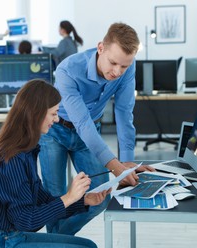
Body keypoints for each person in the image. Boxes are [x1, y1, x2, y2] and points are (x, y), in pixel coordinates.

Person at [0, 79, 110, 248]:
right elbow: (26, 220)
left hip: (10, 235)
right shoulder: (10, 158)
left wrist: (83, 201)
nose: (57, 119)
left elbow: (43, 202)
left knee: (89, 246)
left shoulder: (25, 150)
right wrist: (68, 197)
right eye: (53, 113)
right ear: (35, 114)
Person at [39, 22, 154, 235]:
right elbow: (82, 123)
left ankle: (59, 239)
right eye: (113, 63)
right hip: (55, 131)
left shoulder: (126, 67)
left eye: (124, 66)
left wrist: (126, 161)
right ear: (101, 48)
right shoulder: (68, 70)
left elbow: (124, 112)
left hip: (90, 134)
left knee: (101, 198)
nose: (117, 71)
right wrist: (115, 167)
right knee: (55, 199)